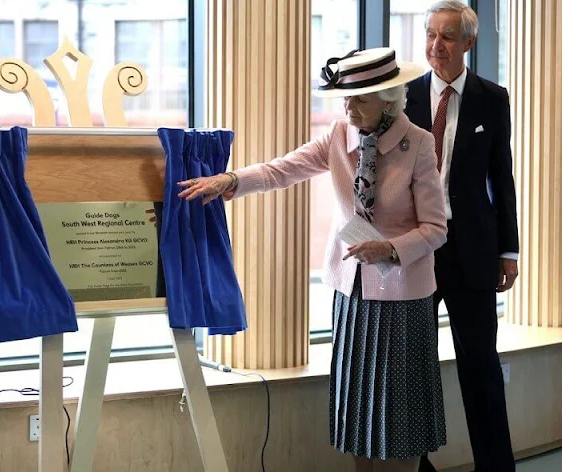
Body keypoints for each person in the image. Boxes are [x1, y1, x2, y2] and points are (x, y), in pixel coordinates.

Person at [178, 47, 448, 472]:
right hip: (351, 295)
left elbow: (436, 228)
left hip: (404, 299)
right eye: (346, 97)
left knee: (401, 416)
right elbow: (280, 170)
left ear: (389, 100)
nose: (348, 107)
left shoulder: (418, 144)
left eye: (360, 98)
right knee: (359, 407)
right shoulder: (339, 135)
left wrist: (390, 249)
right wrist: (230, 180)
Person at [404, 2, 520, 472]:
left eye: (448, 36)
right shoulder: (403, 97)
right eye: (431, 34)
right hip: (414, 253)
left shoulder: (492, 98)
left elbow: (502, 179)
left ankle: (496, 466)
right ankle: (417, 465)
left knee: (481, 367)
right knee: (413, 370)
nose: (436, 45)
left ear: (469, 42)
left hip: (471, 252)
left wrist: (508, 251)